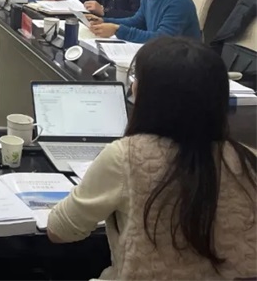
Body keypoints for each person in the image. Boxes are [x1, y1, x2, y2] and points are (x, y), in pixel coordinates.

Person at [48, 37, 256, 279]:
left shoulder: (126, 156)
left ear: (148, 94)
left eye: (137, 79)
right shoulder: (247, 159)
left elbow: (59, 230)